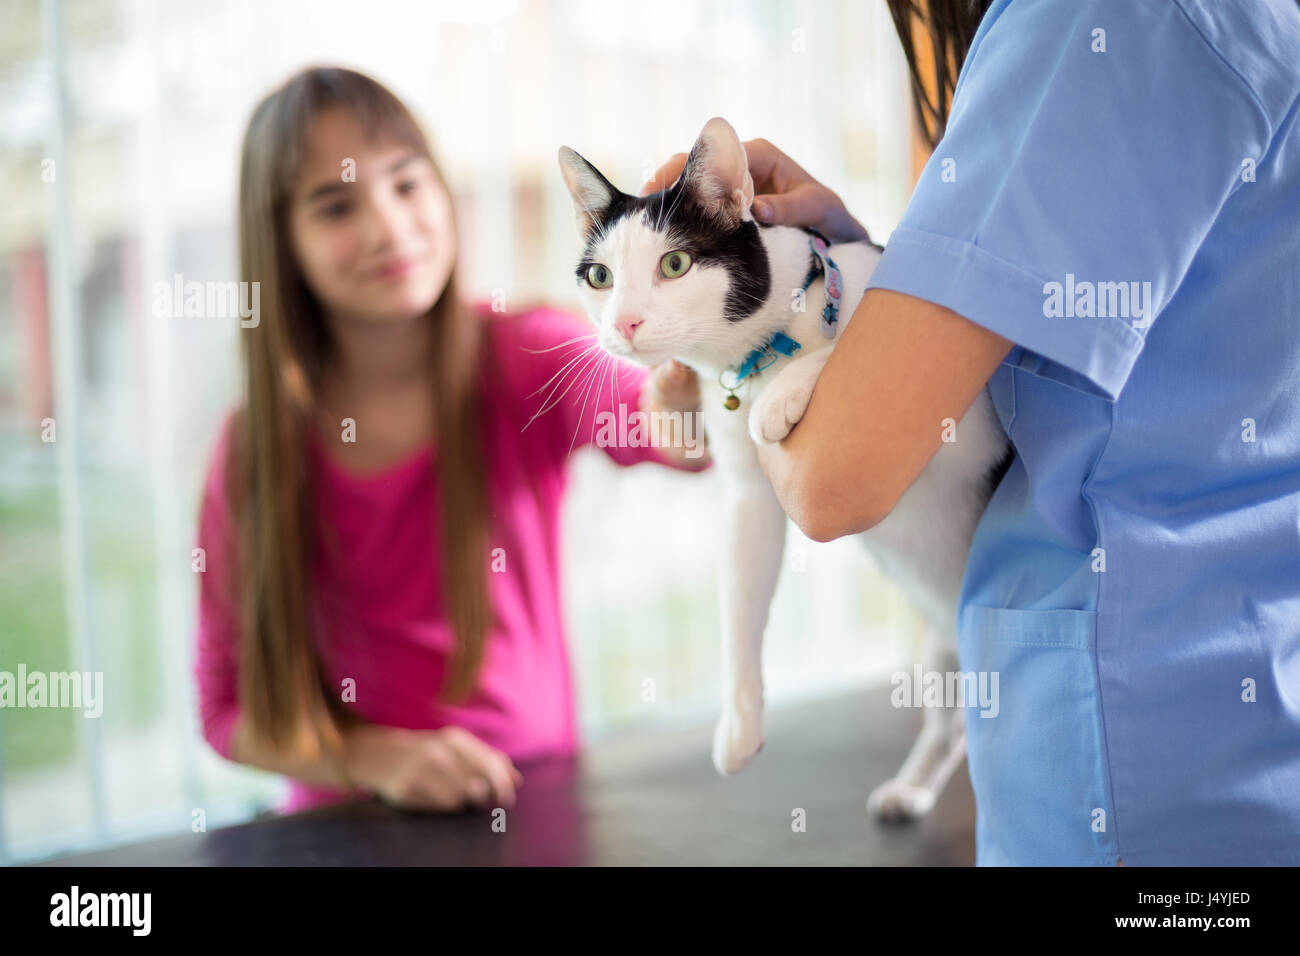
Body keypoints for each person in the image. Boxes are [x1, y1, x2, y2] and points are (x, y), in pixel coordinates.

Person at [645, 0, 1300, 865]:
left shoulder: (1089, 23)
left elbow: (830, 477)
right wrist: (844, 269)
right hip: (1249, 725)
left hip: (1126, 783)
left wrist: (740, 335)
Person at [194, 66, 709, 816]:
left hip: (533, 811)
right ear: (283, 245)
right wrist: (376, 758)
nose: (389, 228)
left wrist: (690, 394)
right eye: (337, 206)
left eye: (406, 185)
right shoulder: (251, 450)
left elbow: (671, 434)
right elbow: (225, 709)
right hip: (343, 830)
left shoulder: (528, 356)